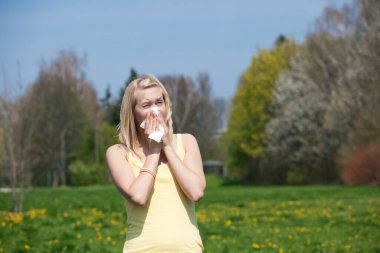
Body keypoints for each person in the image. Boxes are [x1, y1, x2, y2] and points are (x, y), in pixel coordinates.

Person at [106, 75, 205, 253]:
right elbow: (139, 196)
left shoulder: (187, 142)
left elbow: (196, 192)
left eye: (159, 102)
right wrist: (154, 150)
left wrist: (167, 146)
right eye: (146, 105)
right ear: (132, 113)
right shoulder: (118, 153)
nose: (155, 111)